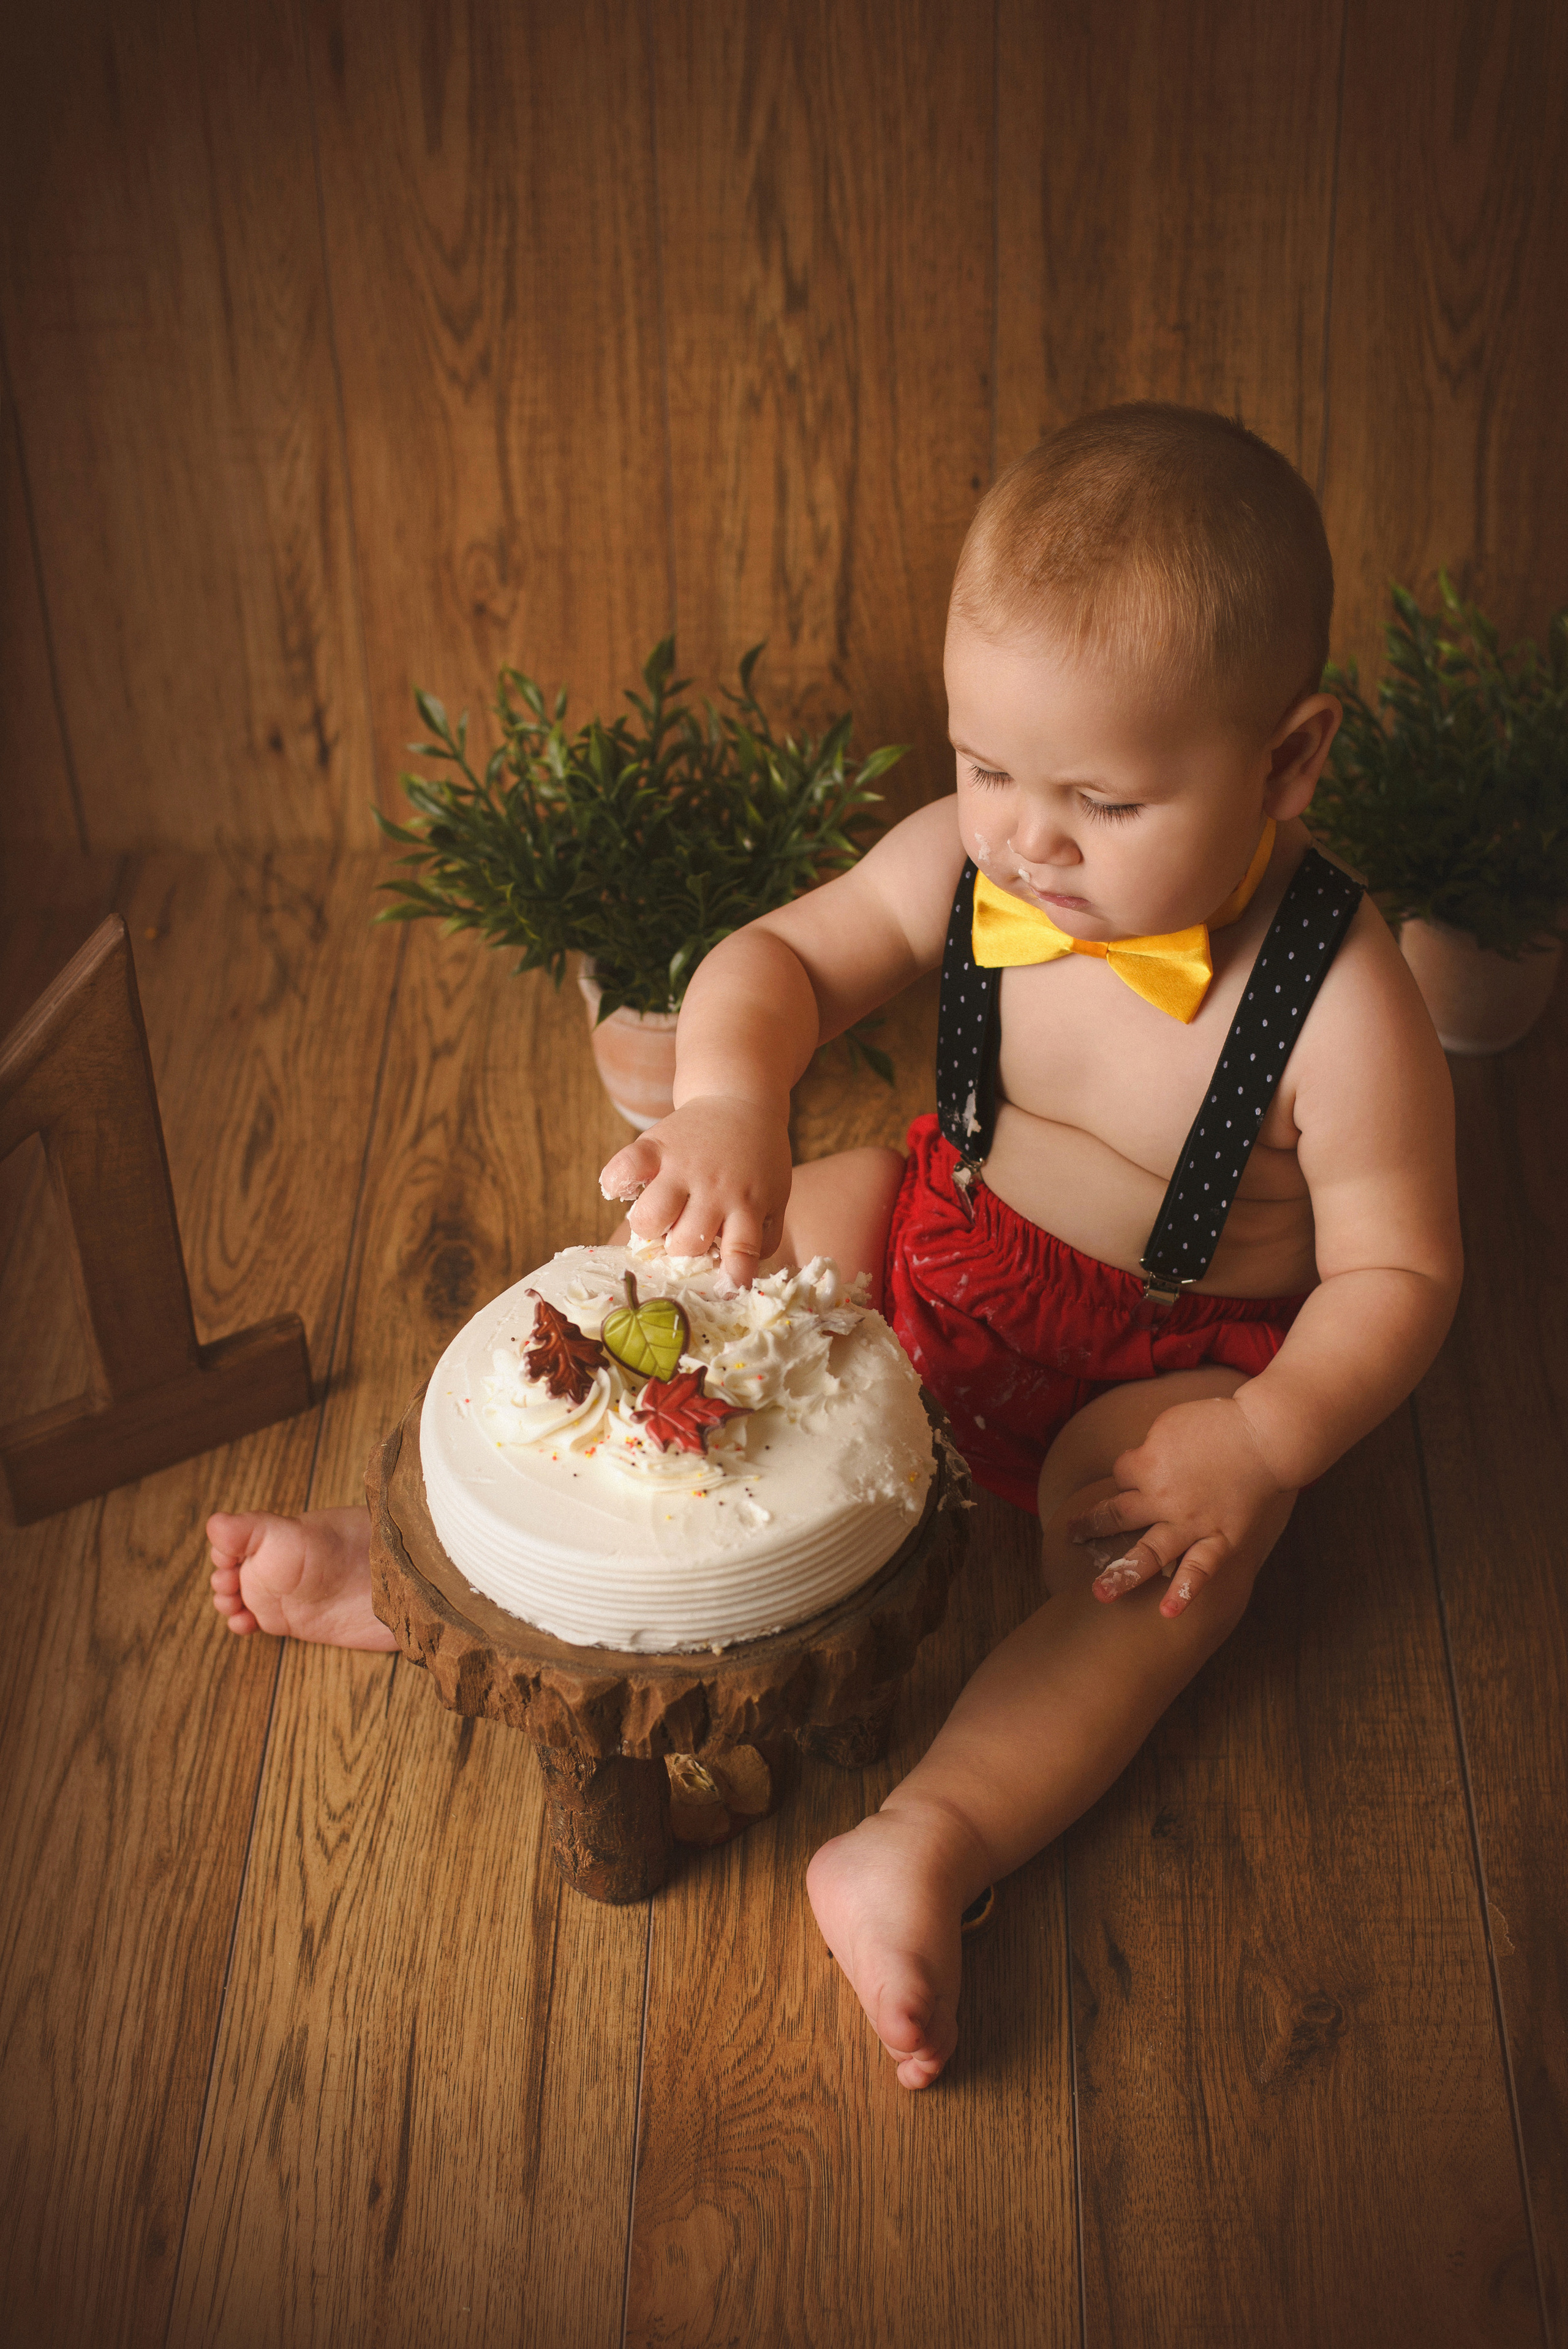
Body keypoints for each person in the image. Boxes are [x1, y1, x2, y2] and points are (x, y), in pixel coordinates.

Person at [209, 403, 1461, 2094]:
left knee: (1152, 1576)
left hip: (1164, 1367)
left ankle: (924, 1838)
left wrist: (1265, 1435)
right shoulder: (974, 860)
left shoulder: (1339, 998)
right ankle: (459, 1578)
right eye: (988, 765)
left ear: (1289, 760)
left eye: (1102, 797)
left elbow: (1399, 1274)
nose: (1028, 838)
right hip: (941, 1239)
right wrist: (732, 1099)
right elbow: (780, 960)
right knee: (731, 1266)